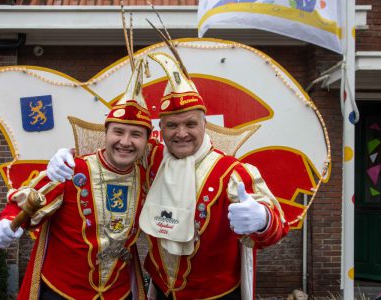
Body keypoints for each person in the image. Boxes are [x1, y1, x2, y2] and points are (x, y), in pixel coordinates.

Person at [48, 53, 289, 300]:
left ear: (205, 125)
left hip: (216, 295)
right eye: (172, 125)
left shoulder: (232, 172)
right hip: (162, 291)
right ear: (161, 130)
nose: (181, 133)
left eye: (190, 124)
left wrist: (262, 219)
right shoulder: (152, 156)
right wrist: (66, 155)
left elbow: (278, 225)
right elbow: (115, 148)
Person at [0, 59, 152, 300]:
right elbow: (27, 201)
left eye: (136, 134)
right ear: (105, 134)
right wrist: (7, 222)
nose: (125, 142)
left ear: (147, 141)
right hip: (61, 292)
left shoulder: (148, 179)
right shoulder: (71, 169)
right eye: (118, 131)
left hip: (118, 294)